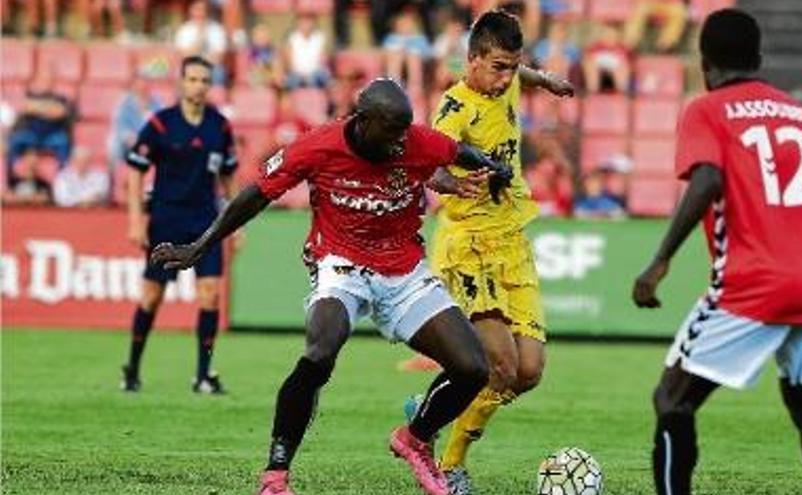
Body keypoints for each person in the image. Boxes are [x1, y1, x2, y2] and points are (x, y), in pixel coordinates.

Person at [149, 78, 521, 495]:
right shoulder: (318, 146)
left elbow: (457, 152)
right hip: (341, 264)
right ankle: (275, 476)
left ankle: (415, 439)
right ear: (363, 122)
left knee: (473, 368)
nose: (401, 142)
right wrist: (199, 246)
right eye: (392, 132)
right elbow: (254, 195)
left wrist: (495, 167)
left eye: (405, 131)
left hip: (404, 269)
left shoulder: (414, 140)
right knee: (320, 353)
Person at [631, 10, 802, 495]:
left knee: (672, 399)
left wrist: (661, 260)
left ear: (704, 62)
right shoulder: (800, 114)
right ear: (758, 57)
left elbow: (708, 179)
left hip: (752, 283)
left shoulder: (706, 109)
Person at [418, 10, 574, 494]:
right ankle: (450, 463)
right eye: (499, 67)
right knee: (500, 365)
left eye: (513, 67)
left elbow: (518, 74)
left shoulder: (506, 80)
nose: (507, 78)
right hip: (468, 246)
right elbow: (429, 167)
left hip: (512, 239)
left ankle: (432, 408)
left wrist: (543, 79)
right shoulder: (453, 108)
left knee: (527, 373)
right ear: (473, 60)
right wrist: (457, 184)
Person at [120, 56, 239, 395]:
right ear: (181, 82)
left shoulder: (220, 126)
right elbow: (135, 170)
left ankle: (203, 375)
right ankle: (132, 368)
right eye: (193, 79)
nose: (199, 85)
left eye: (205, 80)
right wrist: (135, 219)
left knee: (210, 295)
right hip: (166, 220)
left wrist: (237, 223)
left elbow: (229, 178)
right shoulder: (160, 124)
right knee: (151, 297)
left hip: (206, 223)